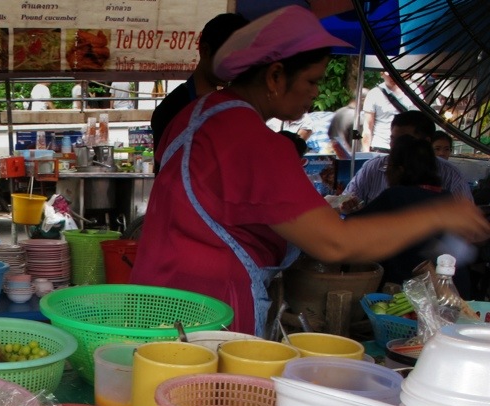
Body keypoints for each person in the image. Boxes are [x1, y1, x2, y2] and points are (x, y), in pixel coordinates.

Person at [129, 6, 490, 337]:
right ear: (275, 76)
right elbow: (336, 242)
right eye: (312, 81)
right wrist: (438, 213)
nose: (316, 93)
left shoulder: (194, 115)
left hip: (154, 297)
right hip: (209, 312)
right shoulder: (253, 140)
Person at [349, 136, 472, 296]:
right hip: (456, 290)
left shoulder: (396, 196)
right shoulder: (446, 197)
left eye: (388, 167)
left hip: (412, 292)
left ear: (399, 170)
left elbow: (350, 229)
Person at [150, 12, 249, 171]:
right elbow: (166, 173)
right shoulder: (172, 109)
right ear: (205, 50)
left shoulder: (231, 105)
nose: (235, 66)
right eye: (229, 57)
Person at [343, 110, 473, 207]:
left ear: (425, 143)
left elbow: (468, 224)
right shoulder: (373, 168)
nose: (394, 145)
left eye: (403, 140)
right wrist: (348, 206)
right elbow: (345, 201)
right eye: (393, 139)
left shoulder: (451, 175)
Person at [361, 72, 417, 153]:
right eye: (389, 74)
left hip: (408, 146)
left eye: (395, 73)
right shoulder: (374, 94)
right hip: (381, 145)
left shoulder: (413, 90)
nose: (392, 77)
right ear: (382, 74)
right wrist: (366, 152)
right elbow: (368, 126)